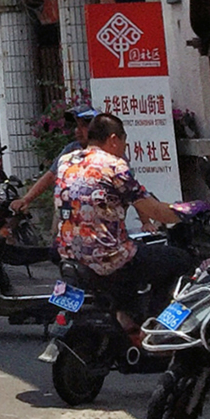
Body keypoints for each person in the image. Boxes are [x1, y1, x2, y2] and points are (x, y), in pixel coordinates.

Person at [54, 113, 190, 327]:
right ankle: (154, 326)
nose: (125, 147)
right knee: (180, 260)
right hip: (106, 259)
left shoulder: (66, 161)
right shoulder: (114, 166)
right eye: (124, 141)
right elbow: (156, 211)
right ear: (113, 139)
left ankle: (125, 317)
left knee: (134, 255)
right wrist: (189, 211)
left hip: (69, 254)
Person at [10, 106, 96, 214]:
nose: (78, 131)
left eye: (83, 126)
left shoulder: (108, 154)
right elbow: (51, 175)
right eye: (77, 126)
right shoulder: (71, 150)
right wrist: (26, 199)